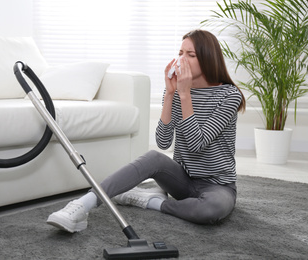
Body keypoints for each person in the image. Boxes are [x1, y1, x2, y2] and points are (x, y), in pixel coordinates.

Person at [46, 29, 246, 232]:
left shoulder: (229, 96)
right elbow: (163, 141)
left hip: (217, 186)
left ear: (208, 59)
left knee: (211, 211)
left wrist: (184, 94)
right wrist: (170, 94)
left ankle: (151, 201)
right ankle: (82, 205)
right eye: (180, 53)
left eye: (191, 55)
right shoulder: (177, 92)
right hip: (182, 181)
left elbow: (196, 144)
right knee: (153, 157)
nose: (181, 60)